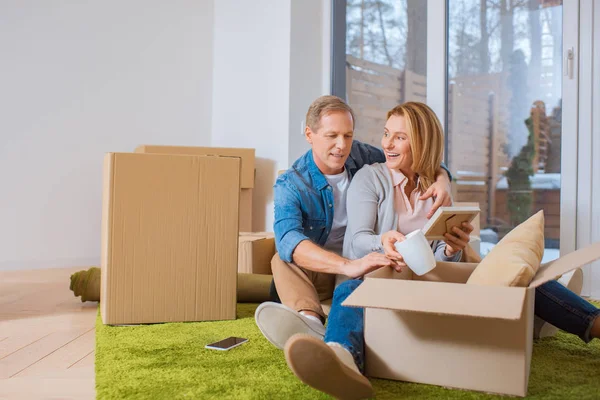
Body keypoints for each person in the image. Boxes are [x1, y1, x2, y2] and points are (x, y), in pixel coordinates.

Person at [282, 102, 600, 400]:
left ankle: (594, 323)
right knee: (349, 292)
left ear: (421, 142)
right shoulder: (370, 178)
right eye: (386, 134)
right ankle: (341, 359)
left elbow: (441, 262)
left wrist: (451, 248)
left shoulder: (437, 187)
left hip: (429, 284)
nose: (388, 144)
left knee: (524, 278)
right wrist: (384, 241)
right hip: (383, 281)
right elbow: (357, 240)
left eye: (400, 137)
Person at [254, 96, 454, 349]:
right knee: (281, 259)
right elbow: (289, 242)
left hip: (365, 259)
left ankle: (316, 328)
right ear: (309, 134)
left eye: (348, 135)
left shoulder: (360, 155)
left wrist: (443, 177)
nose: (341, 146)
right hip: (323, 267)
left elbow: (415, 154)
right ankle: (310, 321)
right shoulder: (292, 184)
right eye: (332, 136)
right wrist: (348, 265)